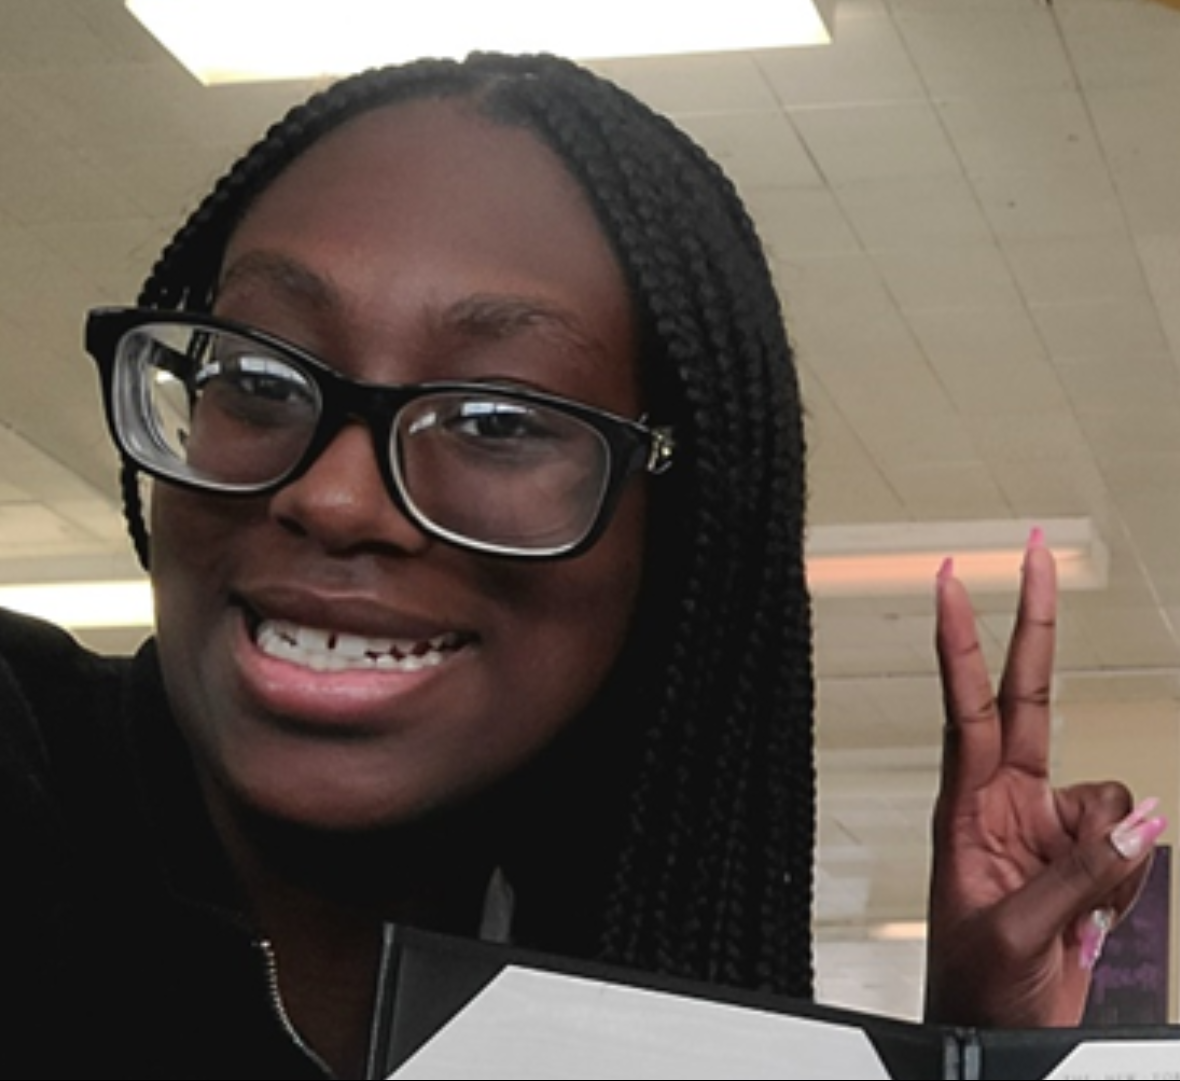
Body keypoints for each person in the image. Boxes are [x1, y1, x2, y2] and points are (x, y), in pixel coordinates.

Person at [0, 51, 1161, 1080]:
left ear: (677, 522)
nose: (332, 492)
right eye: (256, 380)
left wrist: (974, 1063)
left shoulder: (619, 952)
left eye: (498, 418)